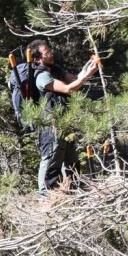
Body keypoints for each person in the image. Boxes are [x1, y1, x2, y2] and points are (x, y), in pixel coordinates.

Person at [30, 39, 99, 194]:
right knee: (51, 157)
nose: (51, 53)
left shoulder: (55, 69)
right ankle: (45, 193)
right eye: (46, 52)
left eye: (49, 50)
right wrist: (87, 74)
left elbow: (74, 79)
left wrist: (89, 67)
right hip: (51, 123)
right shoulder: (41, 76)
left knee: (71, 157)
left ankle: (73, 188)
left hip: (65, 120)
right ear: (38, 58)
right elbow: (68, 89)